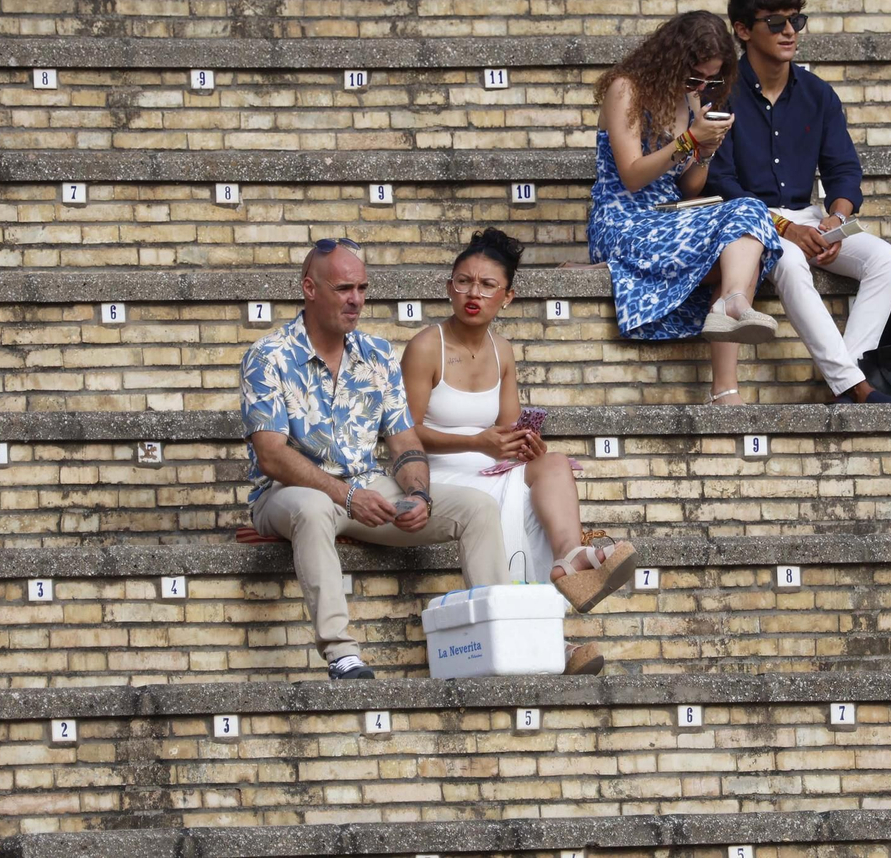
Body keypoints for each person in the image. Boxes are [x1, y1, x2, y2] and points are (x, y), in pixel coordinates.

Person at [240, 237, 513, 681]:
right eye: (345, 289)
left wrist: (419, 493)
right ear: (310, 289)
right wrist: (348, 497)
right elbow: (272, 457)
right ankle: (341, 653)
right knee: (311, 508)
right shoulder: (268, 357)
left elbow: (405, 443)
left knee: (476, 508)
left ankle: (499, 638)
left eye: (363, 289)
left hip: (365, 487)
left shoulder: (378, 355)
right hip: (287, 494)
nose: (356, 300)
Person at [401, 228, 639, 677]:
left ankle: (571, 560)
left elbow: (506, 432)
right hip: (436, 476)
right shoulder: (425, 345)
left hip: (490, 466)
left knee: (549, 464)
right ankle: (551, 641)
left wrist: (523, 445)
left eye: (488, 285)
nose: (474, 293)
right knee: (510, 503)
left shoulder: (503, 350)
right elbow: (404, 433)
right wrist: (479, 441)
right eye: (464, 282)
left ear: (507, 297)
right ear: (449, 287)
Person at [704, 0, 891, 404]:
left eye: (797, 20)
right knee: (793, 262)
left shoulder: (818, 94)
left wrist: (838, 217)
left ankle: (846, 374)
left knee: (886, 258)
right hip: (749, 224)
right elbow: (721, 183)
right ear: (743, 30)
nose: (790, 31)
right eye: (775, 22)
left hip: (811, 216)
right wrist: (785, 229)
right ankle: (856, 387)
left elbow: (843, 169)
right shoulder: (722, 95)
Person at [589, 10, 784, 406]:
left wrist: (705, 154)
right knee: (740, 233)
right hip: (624, 219)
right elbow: (631, 176)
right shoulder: (625, 89)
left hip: (668, 216)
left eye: (710, 80)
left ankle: (732, 305)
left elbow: (688, 186)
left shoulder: (688, 98)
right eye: (694, 76)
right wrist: (688, 140)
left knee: (746, 213)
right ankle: (726, 384)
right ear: (671, 60)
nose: (699, 86)